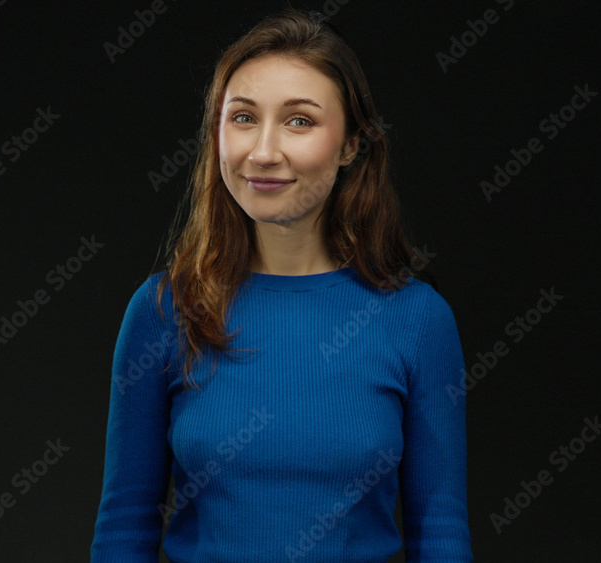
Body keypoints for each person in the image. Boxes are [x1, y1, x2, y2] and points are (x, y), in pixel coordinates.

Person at [91, 8, 473, 562]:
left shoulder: (417, 319)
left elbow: (439, 529)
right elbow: (125, 524)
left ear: (350, 146)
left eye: (300, 121)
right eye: (243, 117)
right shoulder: (162, 310)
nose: (264, 152)